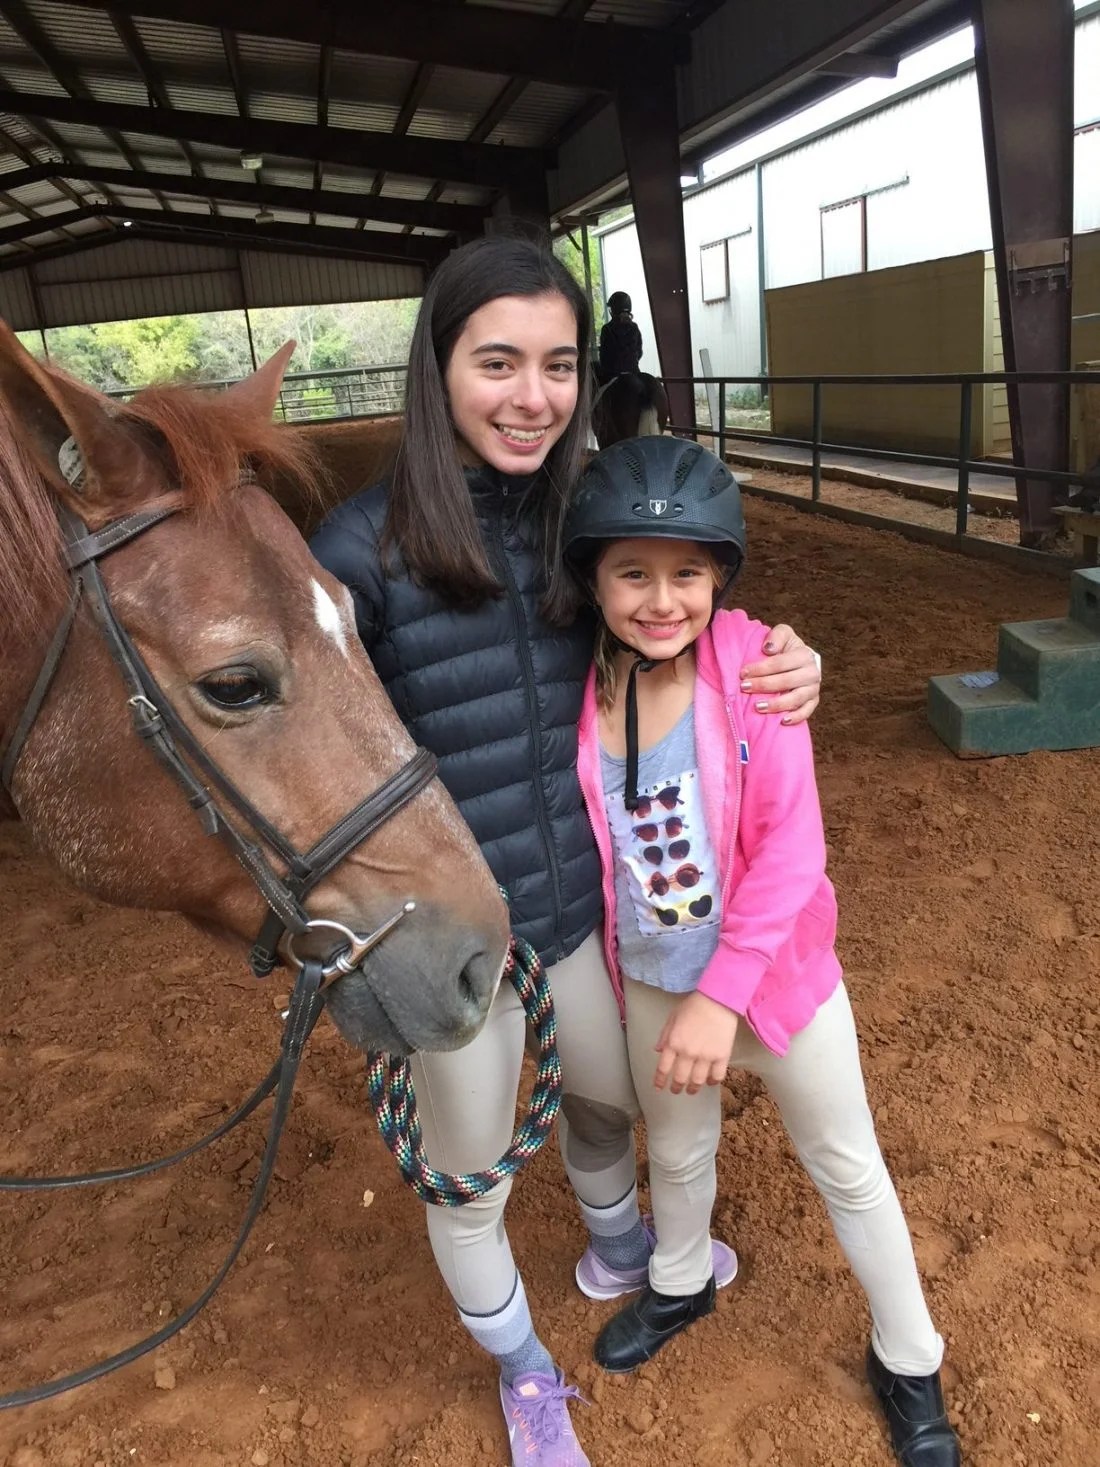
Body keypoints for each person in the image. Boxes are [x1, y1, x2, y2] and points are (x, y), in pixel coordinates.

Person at [309, 236, 823, 1467]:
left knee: (614, 1102)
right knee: (470, 1181)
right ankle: (525, 1374)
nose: (531, 397)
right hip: (454, 950)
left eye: (553, 365)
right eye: (496, 363)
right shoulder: (355, 551)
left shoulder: (583, 523)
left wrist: (786, 665)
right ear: (439, 371)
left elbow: (688, 631)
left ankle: (615, 1245)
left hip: (587, 913)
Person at [560, 434, 961, 1467]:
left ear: (719, 577)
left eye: (686, 573)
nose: (660, 599)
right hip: (652, 975)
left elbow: (793, 851)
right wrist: (674, 995)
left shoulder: (755, 673)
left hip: (774, 982)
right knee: (679, 1151)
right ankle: (680, 1281)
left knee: (846, 1165)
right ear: (592, 581)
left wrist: (721, 996)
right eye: (631, 574)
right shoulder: (583, 691)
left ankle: (907, 1356)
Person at [597, 290, 643, 383]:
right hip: (634, 371)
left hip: (613, 374)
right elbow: (639, 352)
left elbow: (604, 356)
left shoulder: (607, 329)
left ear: (613, 309)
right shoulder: (634, 327)